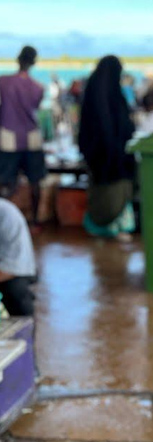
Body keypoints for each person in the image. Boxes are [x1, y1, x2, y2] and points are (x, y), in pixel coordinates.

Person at [77, 56, 136, 241]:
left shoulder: (91, 94)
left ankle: (97, 225)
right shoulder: (116, 96)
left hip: (97, 156)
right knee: (118, 190)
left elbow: (86, 129)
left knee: (99, 191)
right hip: (117, 156)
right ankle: (116, 226)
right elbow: (124, 126)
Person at [0, 46, 46, 229]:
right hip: (32, 136)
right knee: (35, 181)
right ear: (33, 62)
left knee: (5, 181)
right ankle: (35, 222)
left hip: (8, 136)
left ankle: (3, 220)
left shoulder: (3, 82)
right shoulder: (38, 87)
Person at [0, 198, 36, 316]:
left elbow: (13, 269)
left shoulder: (7, 214)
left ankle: (23, 330)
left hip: (12, 273)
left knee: (16, 289)